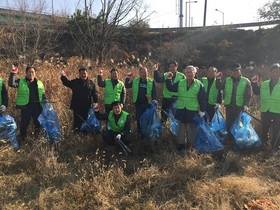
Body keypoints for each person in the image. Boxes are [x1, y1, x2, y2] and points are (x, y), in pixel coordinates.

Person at [166, 65, 207, 151]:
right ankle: (181, 144)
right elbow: (171, 88)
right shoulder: (181, 82)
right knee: (181, 128)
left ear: (194, 73)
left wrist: (202, 110)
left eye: (191, 72)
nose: (189, 74)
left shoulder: (199, 84)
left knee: (191, 128)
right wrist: (169, 79)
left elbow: (202, 98)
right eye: (187, 72)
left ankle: (191, 145)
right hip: (181, 109)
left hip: (192, 110)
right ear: (185, 73)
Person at [8, 64, 46, 142]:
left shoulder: (39, 83)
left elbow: (43, 94)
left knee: (38, 123)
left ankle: (37, 138)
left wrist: (46, 102)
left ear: (35, 73)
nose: (31, 73)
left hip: (37, 106)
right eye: (29, 72)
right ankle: (23, 138)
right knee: (24, 123)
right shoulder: (21, 81)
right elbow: (11, 84)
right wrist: (13, 73)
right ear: (26, 73)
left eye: (32, 72)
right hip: (26, 106)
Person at [251, 63, 280, 151]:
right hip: (265, 110)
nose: (275, 74)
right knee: (264, 128)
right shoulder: (264, 84)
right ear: (270, 73)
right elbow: (257, 92)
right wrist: (254, 84)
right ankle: (263, 144)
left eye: (277, 72)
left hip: (277, 111)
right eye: (273, 72)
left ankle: (275, 147)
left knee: (276, 130)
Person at [61, 67, 98, 132]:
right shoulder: (75, 82)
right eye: (81, 73)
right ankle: (76, 134)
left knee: (86, 121)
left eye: (84, 73)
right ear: (79, 74)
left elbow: (94, 94)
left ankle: (84, 134)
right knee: (77, 122)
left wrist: (96, 103)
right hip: (77, 106)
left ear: (87, 74)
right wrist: (63, 76)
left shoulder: (91, 83)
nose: (83, 75)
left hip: (86, 106)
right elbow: (67, 83)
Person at [125, 67, 157, 135]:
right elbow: (127, 85)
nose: (144, 74)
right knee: (139, 119)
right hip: (138, 104)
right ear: (139, 73)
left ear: (147, 73)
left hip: (148, 104)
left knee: (147, 119)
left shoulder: (151, 81)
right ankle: (140, 133)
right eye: (142, 72)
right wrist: (127, 77)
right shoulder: (135, 80)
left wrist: (154, 99)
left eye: (145, 72)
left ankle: (147, 133)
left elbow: (154, 92)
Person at [221, 63, 252, 132]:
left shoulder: (246, 81)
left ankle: (238, 141)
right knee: (229, 124)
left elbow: (248, 95)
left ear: (240, 70)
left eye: (236, 70)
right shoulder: (227, 80)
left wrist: (246, 105)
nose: (235, 72)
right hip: (229, 107)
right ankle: (229, 139)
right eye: (233, 71)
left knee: (239, 125)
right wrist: (217, 79)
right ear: (231, 72)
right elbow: (219, 87)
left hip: (239, 107)